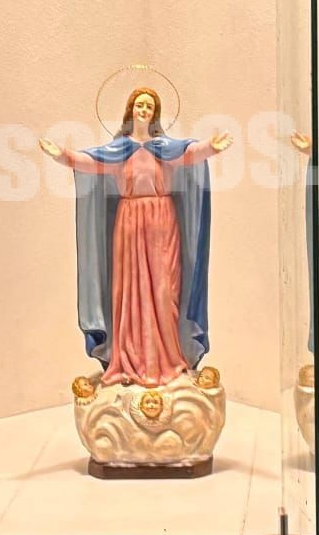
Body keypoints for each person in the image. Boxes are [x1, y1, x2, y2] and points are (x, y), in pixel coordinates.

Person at [40, 88, 231, 386]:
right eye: (140, 105)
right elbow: (88, 162)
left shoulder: (164, 149)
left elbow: (189, 154)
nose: (144, 110)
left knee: (166, 289)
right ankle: (131, 358)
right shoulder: (118, 151)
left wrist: (211, 147)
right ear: (130, 109)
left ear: (155, 113)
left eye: (149, 106)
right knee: (130, 290)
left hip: (163, 222)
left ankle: (168, 358)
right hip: (129, 222)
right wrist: (62, 155)